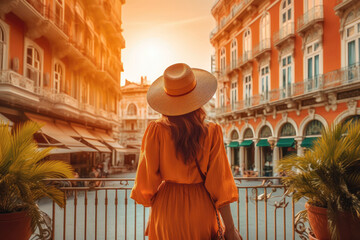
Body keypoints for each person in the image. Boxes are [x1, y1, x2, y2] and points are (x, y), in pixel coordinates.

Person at [130, 63, 242, 240]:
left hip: (165, 211)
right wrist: (230, 229)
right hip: (201, 210)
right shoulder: (212, 132)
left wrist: (157, 203)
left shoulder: (156, 131)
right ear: (196, 98)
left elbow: (146, 183)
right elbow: (220, 183)